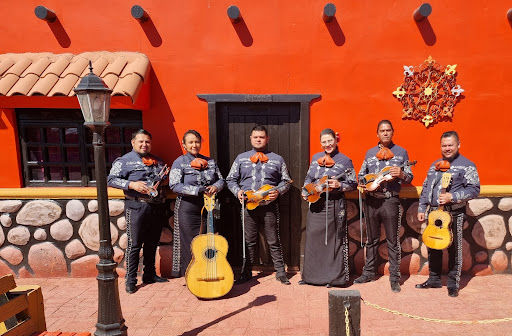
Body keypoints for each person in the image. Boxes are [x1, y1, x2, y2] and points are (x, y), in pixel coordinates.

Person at [416, 131, 480, 297]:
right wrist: (422, 208)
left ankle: (453, 283)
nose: (447, 148)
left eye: (450, 145)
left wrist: (453, 196)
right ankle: (434, 279)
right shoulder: (434, 165)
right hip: (434, 213)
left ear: (459, 144)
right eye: (444, 145)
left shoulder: (467, 165)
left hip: (455, 213)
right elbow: (425, 188)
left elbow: (474, 189)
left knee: (454, 249)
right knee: (433, 246)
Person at [226, 125, 292, 285]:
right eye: (255, 137)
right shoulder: (241, 158)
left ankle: (281, 272)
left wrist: (279, 192)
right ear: (251, 138)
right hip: (248, 206)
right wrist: (237, 192)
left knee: (273, 239)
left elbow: (286, 181)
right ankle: (246, 272)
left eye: (261, 137)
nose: (258, 139)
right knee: (249, 241)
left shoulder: (278, 159)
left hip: (269, 205)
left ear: (267, 139)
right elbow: (230, 179)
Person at [354, 120, 414, 293]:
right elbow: (361, 176)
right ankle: (368, 272)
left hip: (390, 201)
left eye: (388, 130)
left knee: (392, 241)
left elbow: (409, 176)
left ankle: (395, 278)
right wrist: (365, 183)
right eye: (382, 130)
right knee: (371, 239)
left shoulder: (401, 153)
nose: (385, 133)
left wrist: (402, 173)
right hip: (372, 201)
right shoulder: (370, 153)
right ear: (377, 134)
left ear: (393, 132)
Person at [108, 129, 169, 294]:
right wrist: (132, 185)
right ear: (133, 143)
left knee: (151, 243)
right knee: (134, 244)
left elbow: (163, 178)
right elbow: (111, 179)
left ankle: (149, 274)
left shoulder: (158, 161)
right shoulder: (124, 161)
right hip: (136, 206)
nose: (144, 144)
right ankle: (131, 279)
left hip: (155, 206)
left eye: (147, 142)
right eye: (141, 141)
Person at [299, 129, 357, 287]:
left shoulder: (345, 161)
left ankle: (334, 279)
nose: (327, 144)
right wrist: (306, 191)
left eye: (330, 141)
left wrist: (339, 185)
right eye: (324, 142)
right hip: (316, 204)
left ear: (336, 140)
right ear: (321, 143)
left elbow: (353, 184)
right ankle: (311, 277)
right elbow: (309, 178)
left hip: (334, 205)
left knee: (334, 241)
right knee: (313, 239)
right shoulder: (316, 158)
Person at [168, 130, 225, 277]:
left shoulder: (211, 162)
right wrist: (198, 189)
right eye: (191, 142)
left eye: (197, 142)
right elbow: (174, 185)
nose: (194, 145)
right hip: (188, 206)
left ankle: (208, 271)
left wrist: (216, 187)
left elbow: (221, 180)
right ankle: (191, 275)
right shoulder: (179, 162)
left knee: (208, 239)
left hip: (208, 206)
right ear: (184, 144)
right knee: (190, 242)